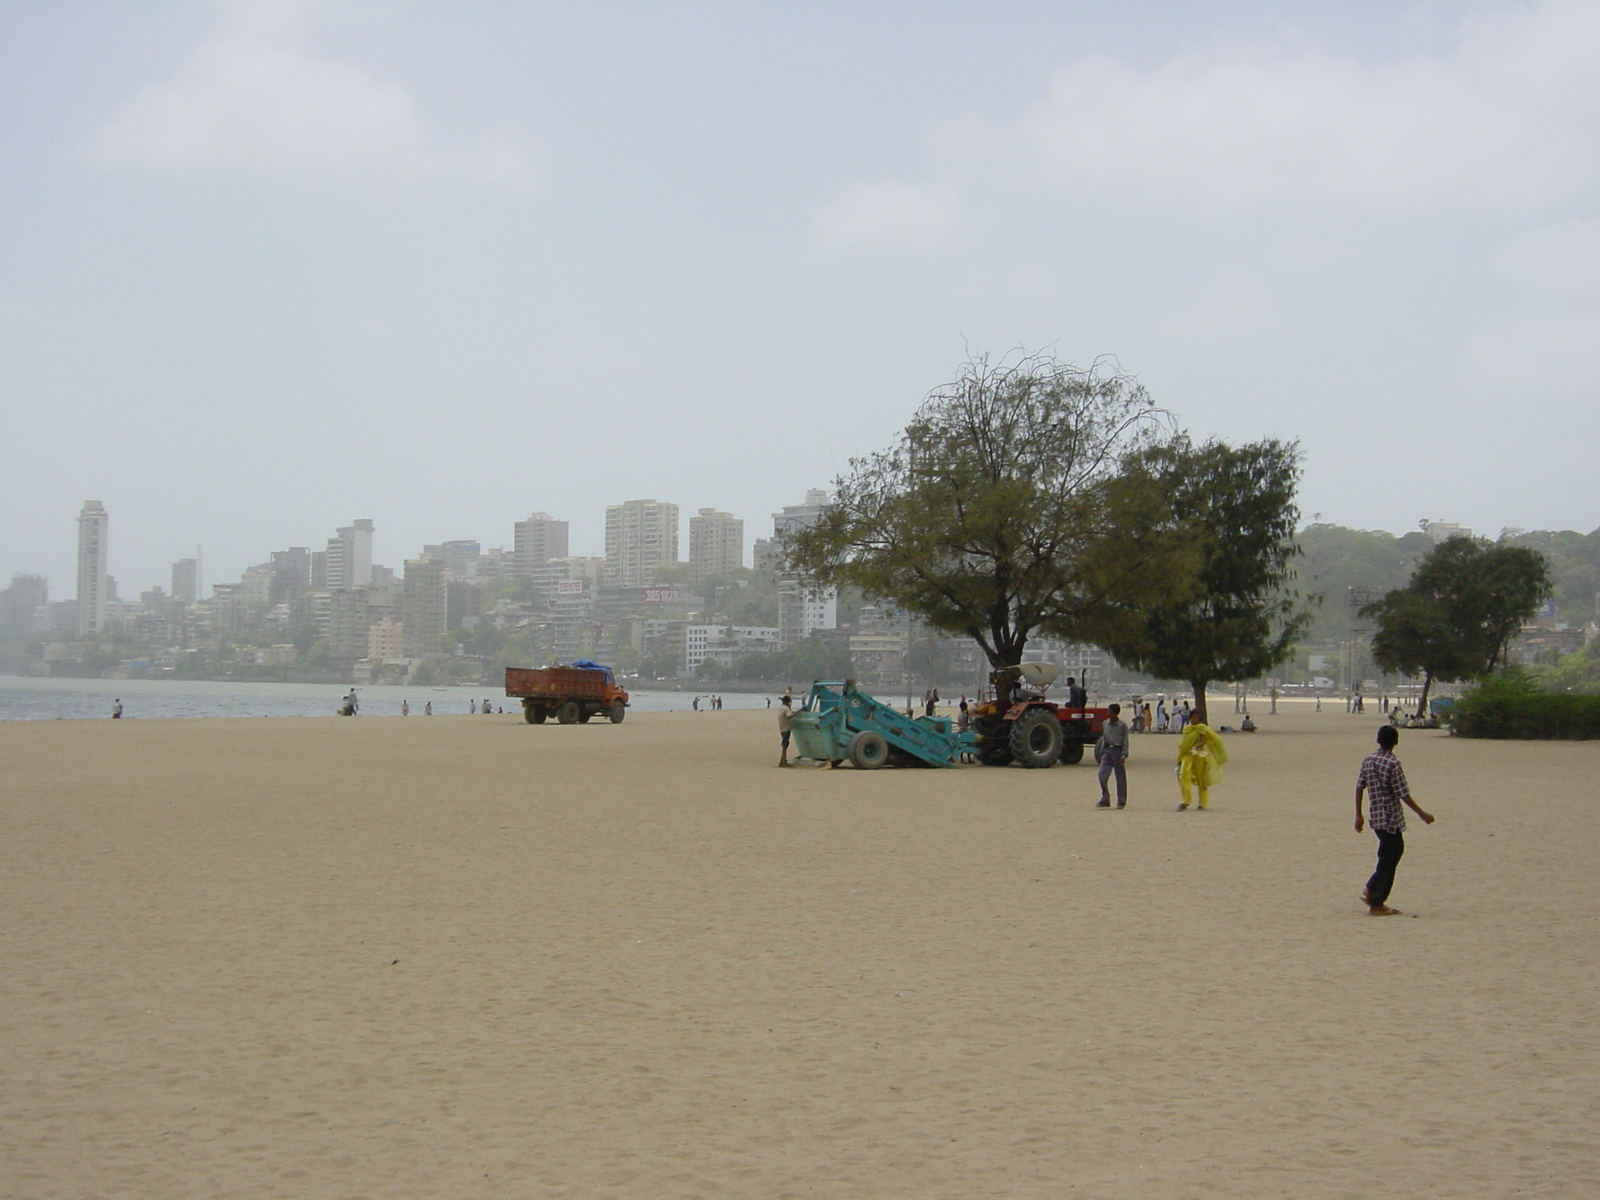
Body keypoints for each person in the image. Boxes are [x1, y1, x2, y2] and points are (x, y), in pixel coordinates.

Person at [1355, 725, 1434, 915]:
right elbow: (1403, 794)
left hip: (1376, 816)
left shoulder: (1369, 760)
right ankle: (1377, 903)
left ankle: (1371, 888)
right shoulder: (1393, 763)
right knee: (1389, 859)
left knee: (1391, 853)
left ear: (1378, 740)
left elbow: (1359, 787)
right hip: (1390, 819)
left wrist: (1359, 815)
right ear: (1396, 742)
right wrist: (1422, 814)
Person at [1175, 711, 1228, 811]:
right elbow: (1185, 743)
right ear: (1190, 718)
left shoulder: (1202, 728)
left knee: (1201, 779)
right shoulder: (1187, 728)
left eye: (1197, 717)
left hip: (1199, 755)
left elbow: (1202, 742)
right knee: (1184, 775)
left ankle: (1202, 803)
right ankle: (1186, 801)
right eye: (1193, 717)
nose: (1195, 719)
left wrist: (1195, 747)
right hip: (1187, 755)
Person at [1094, 703, 1131, 809]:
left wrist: (1124, 754)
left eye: (1109, 712)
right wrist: (1101, 751)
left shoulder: (1122, 725)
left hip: (1118, 751)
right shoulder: (1105, 724)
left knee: (1120, 778)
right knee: (1102, 775)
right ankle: (1105, 799)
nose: (1108, 713)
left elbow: (1125, 741)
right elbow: (1104, 738)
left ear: (1115, 713)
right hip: (1107, 751)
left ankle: (1121, 801)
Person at [777, 695, 795, 767]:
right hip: (786, 728)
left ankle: (782, 761)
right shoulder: (786, 708)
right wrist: (797, 713)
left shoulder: (781, 708)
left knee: (785, 743)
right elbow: (789, 716)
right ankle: (784, 762)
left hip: (782, 727)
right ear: (787, 702)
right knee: (785, 744)